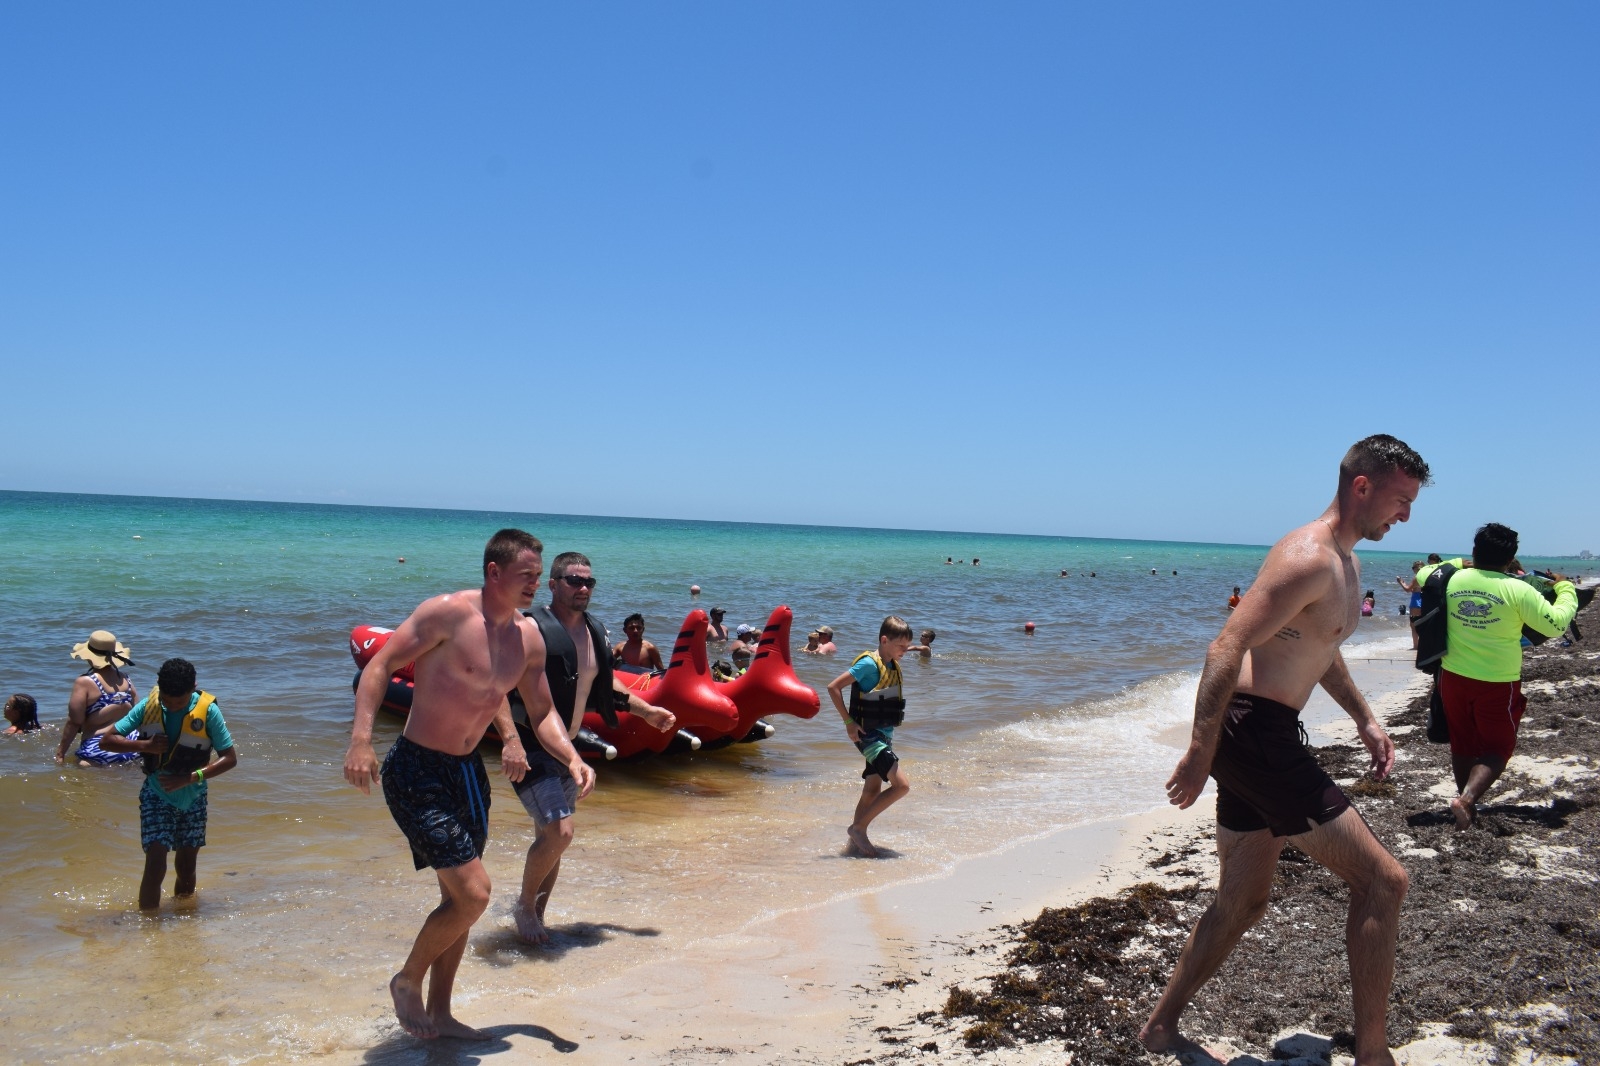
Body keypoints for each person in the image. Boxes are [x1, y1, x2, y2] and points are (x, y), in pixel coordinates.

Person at [1139, 434, 1430, 1066]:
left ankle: (1161, 1028)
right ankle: (1373, 1054)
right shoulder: (1307, 557)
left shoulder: (1345, 564)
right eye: (1400, 500)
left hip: (1256, 737)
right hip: (1254, 735)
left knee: (1242, 902)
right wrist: (1199, 750)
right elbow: (1226, 646)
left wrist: (1366, 720)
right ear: (1363, 487)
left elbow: (1320, 651)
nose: (1405, 516)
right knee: (1384, 882)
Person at [342, 528, 559, 1041]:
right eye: (527, 574)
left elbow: (527, 703)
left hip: (466, 774)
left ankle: (440, 1012)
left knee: (456, 900)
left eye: (538, 575)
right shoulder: (446, 613)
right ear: (494, 573)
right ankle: (406, 979)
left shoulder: (521, 635)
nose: (535, 583)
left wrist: (559, 754)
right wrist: (360, 741)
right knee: (474, 895)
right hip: (416, 769)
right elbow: (380, 666)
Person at [514, 551, 675, 944]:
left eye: (589, 582)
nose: (583, 588)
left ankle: (536, 916)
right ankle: (522, 905)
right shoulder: (530, 628)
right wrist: (506, 740)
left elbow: (606, 688)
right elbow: (495, 686)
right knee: (560, 833)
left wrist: (646, 711)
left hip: (567, 746)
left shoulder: (595, 631)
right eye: (574, 580)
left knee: (552, 840)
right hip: (532, 745)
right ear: (552, 585)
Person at [1416, 524, 1579, 829]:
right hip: (1497, 682)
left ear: (1474, 551)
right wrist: (1566, 587)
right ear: (1510, 560)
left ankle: (1466, 805)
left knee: (1462, 743)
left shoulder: (1454, 577)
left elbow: (1426, 574)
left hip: (1452, 677)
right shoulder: (1518, 589)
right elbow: (1556, 625)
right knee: (1498, 747)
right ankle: (1466, 801)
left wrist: (1456, 563)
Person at [96, 657, 238, 911]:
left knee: (186, 866)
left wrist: (189, 778)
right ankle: (149, 926)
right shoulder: (148, 707)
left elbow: (229, 758)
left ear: (193, 688)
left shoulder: (208, 712)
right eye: (166, 700)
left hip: (193, 795)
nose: (172, 707)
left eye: (180, 702)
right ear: (159, 689)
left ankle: (184, 921)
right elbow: (107, 741)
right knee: (156, 860)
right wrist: (144, 746)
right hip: (156, 793)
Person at [827, 616, 915, 858]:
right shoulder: (868, 664)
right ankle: (859, 828)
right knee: (902, 785)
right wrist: (848, 722)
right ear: (884, 640)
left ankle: (854, 845)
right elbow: (833, 687)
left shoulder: (892, 664)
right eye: (901, 647)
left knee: (872, 789)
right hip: (868, 736)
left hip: (883, 734)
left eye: (907, 647)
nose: (904, 652)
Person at [56, 630, 141, 766]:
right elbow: (139, 715)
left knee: (80, 766)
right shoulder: (126, 679)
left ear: (89, 657)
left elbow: (74, 722)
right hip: (132, 745)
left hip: (100, 747)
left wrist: (60, 754)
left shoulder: (84, 682)